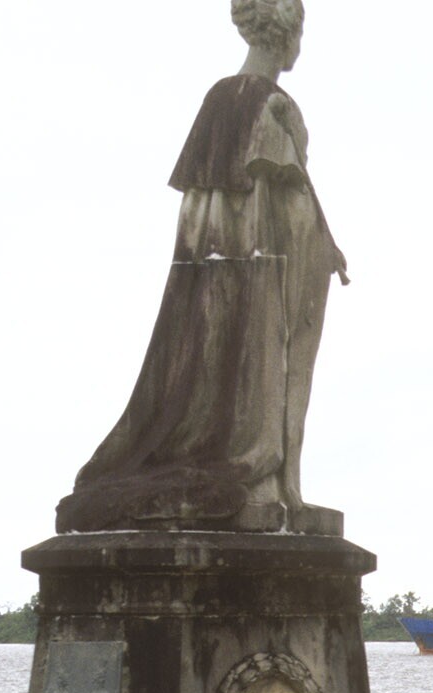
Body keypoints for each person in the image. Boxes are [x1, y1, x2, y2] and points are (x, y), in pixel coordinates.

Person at [56, 0, 348, 535]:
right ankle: (260, 473)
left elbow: (241, 201)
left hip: (232, 269)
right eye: (301, 32)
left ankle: (268, 478)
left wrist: (322, 244)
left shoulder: (227, 100)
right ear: (287, 34)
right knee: (255, 363)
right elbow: (274, 199)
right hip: (254, 276)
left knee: (240, 364)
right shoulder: (263, 103)